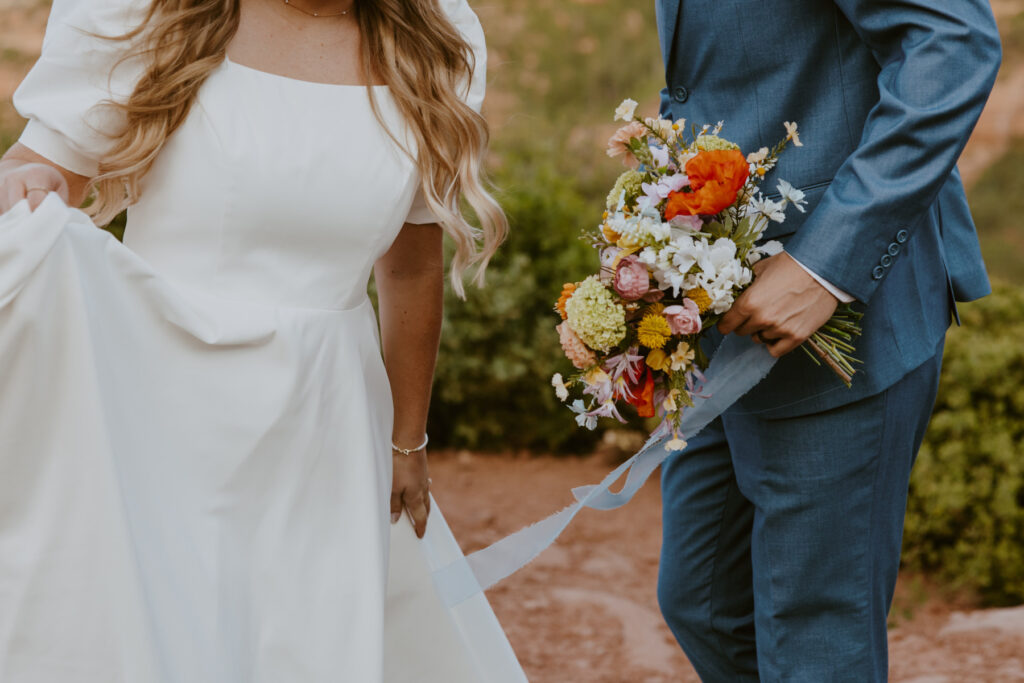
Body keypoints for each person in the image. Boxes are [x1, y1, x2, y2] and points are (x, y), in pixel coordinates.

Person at [0, 0, 525, 680]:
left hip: (323, 425)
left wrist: (407, 441)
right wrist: (27, 185)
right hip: (155, 410)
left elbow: (412, 266)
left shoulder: (431, 41)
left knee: (304, 644)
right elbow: (42, 170)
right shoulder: (152, 14)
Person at [653, 0, 1002, 680]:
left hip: (840, 318)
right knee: (704, 600)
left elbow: (953, 43)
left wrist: (825, 265)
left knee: (815, 639)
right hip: (725, 305)